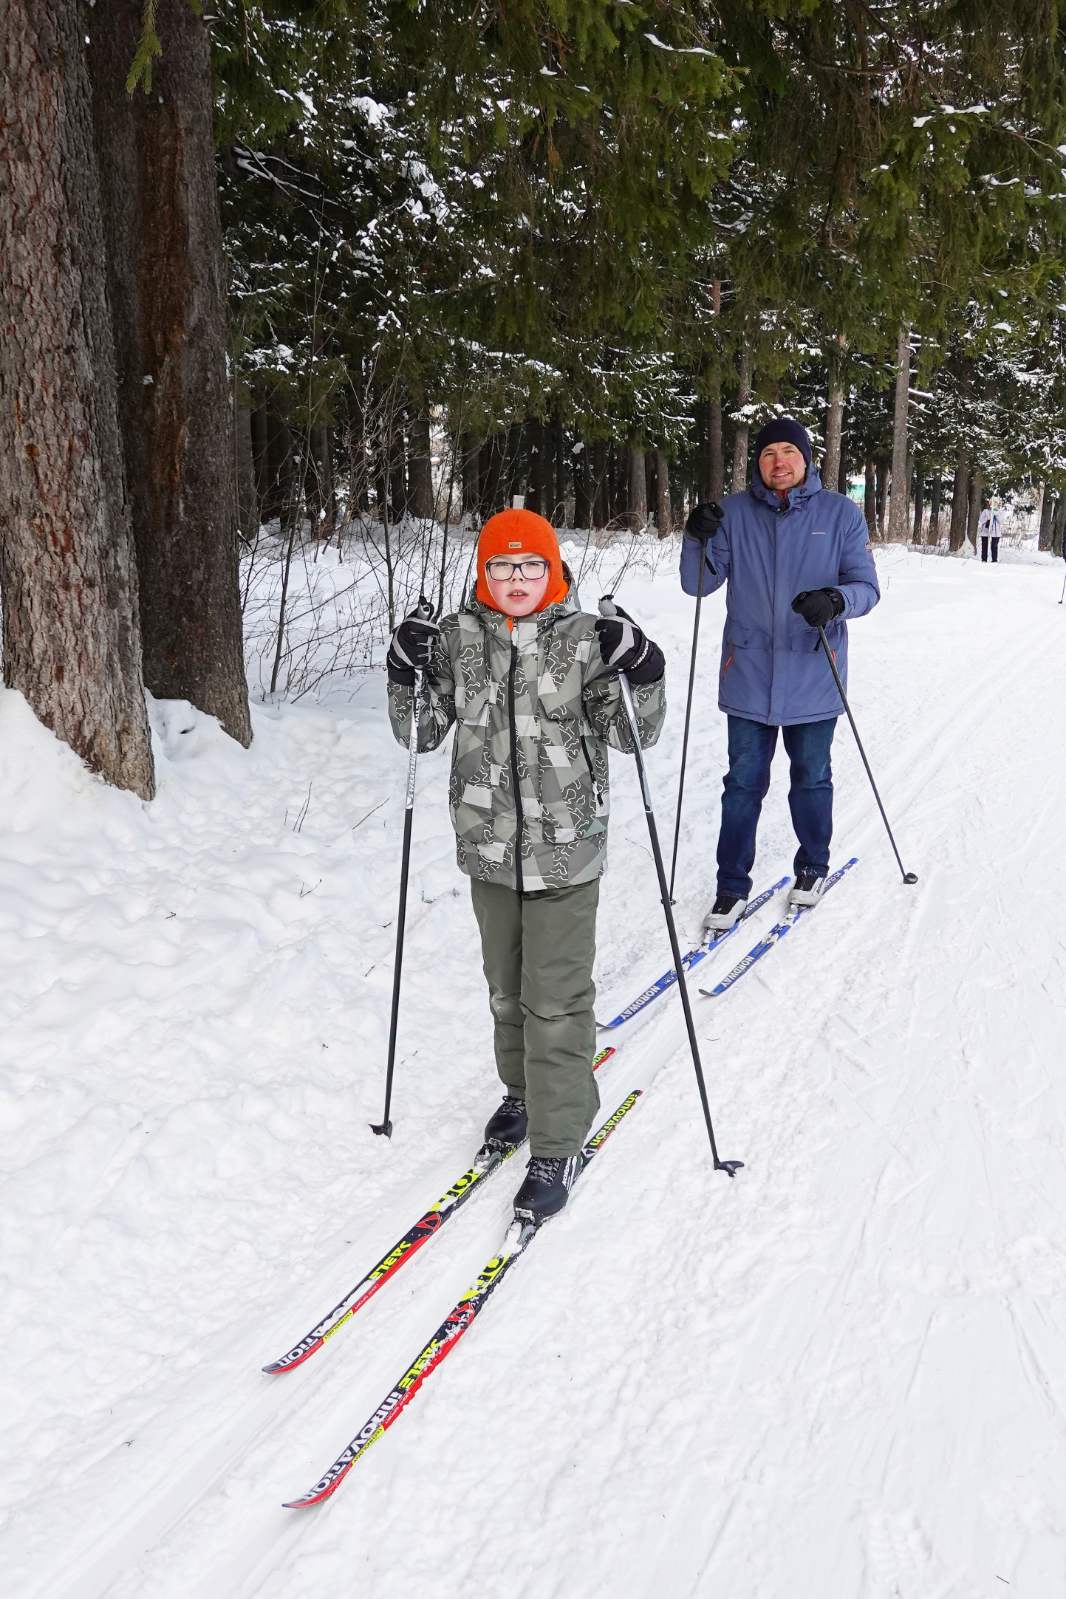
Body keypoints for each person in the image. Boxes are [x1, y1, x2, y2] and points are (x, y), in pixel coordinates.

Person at [386, 508, 666, 1223]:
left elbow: (635, 733)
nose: (516, 579)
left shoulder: (582, 642)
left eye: (530, 566)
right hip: (488, 850)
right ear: (484, 572)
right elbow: (419, 731)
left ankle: (560, 1134)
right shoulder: (457, 640)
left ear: (553, 571)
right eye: (503, 566)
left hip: (566, 851)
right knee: (506, 991)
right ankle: (523, 1089)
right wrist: (404, 670)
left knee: (555, 997)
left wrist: (644, 668)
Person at [681, 417, 880, 933]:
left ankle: (812, 866)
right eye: (769, 454)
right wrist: (694, 537)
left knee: (811, 778)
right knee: (742, 784)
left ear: (807, 458)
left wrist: (836, 600)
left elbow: (866, 589)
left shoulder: (840, 514)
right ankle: (730, 887)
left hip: (815, 672)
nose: (779, 462)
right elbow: (698, 584)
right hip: (747, 672)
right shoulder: (732, 511)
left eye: (788, 451)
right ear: (758, 462)